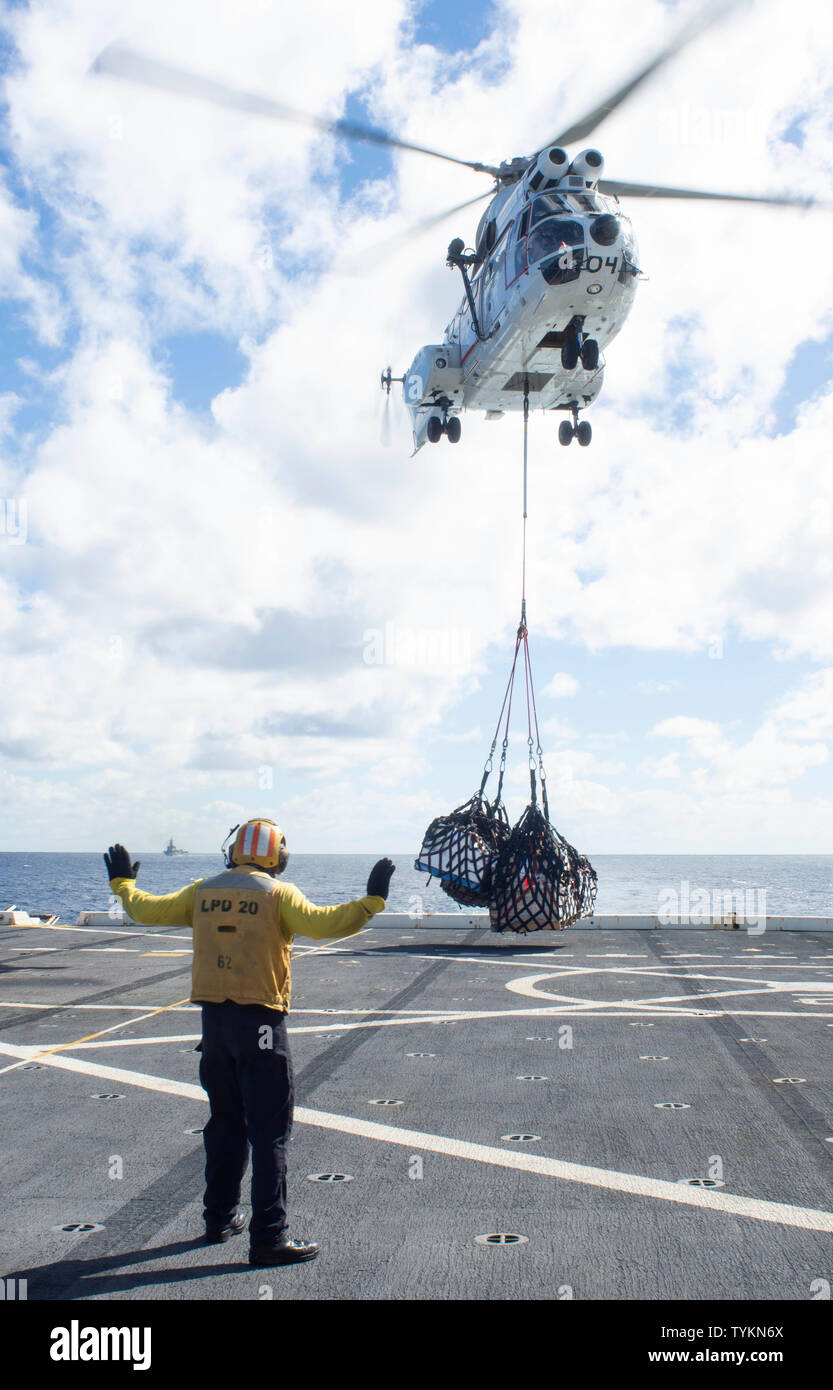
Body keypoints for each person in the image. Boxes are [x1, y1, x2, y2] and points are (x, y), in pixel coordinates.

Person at [104, 818, 395, 1266]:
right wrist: (371, 900)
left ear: (233, 853)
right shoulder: (278, 895)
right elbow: (326, 924)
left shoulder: (202, 891)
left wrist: (123, 883)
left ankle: (219, 1218)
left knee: (224, 1124)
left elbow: (146, 910)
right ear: (277, 856)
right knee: (269, 1135)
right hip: (261, 1025)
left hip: (215, 1027)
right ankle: (268, 1239)